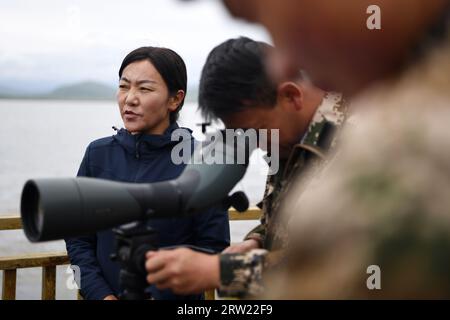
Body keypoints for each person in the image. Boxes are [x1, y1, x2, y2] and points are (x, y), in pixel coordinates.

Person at [215, 0, 450, 298]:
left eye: (285, 21)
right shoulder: (285, 150)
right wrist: (255, 242)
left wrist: (219, 272)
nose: (284, 64)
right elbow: (274, 223)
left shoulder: (379, 137)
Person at [144, 37, 349, 297]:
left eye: (256, 131)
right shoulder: (286, 141)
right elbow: (287, 223)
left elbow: (345, 263)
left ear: (290, 96)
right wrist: (256, 241)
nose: (258, 146)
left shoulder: (362, 142)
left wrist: (218, 271)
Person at [65, 46, 230, 300]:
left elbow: (213, 248)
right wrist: (101, 295)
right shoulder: (98, 154)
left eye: (145, 89)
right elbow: (78, 238)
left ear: (175, 99)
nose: (130, 98)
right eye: (124, 86)